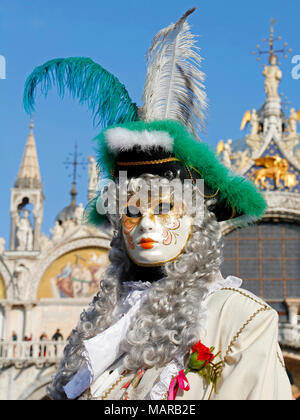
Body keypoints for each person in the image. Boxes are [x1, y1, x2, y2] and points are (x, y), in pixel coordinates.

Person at [24, 9, 292, 401]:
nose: (147, 224)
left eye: (165, 209)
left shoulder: (240, 321)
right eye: (131, 212)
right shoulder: (101, 322)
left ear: (196, 221)